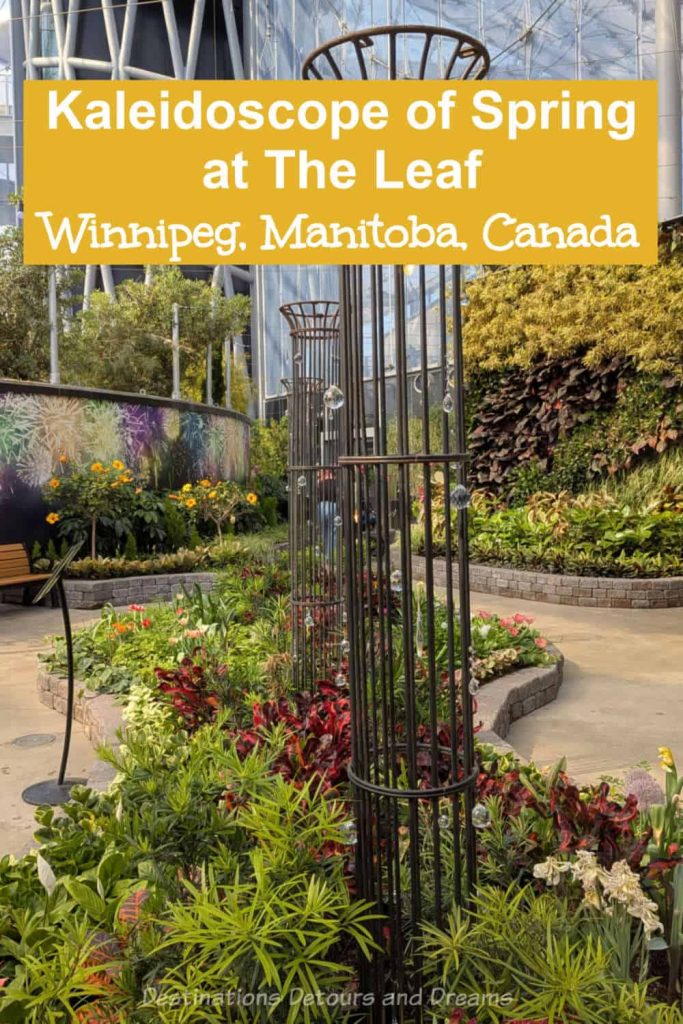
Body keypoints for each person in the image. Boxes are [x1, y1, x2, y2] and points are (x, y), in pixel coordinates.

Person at [317, 468, 337, 562]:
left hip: (321, 506)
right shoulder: (335, 482)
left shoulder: (320, 482)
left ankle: (323, 554)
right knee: (332, 531)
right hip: (332, 505)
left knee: (323, 531)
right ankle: (330, 555)